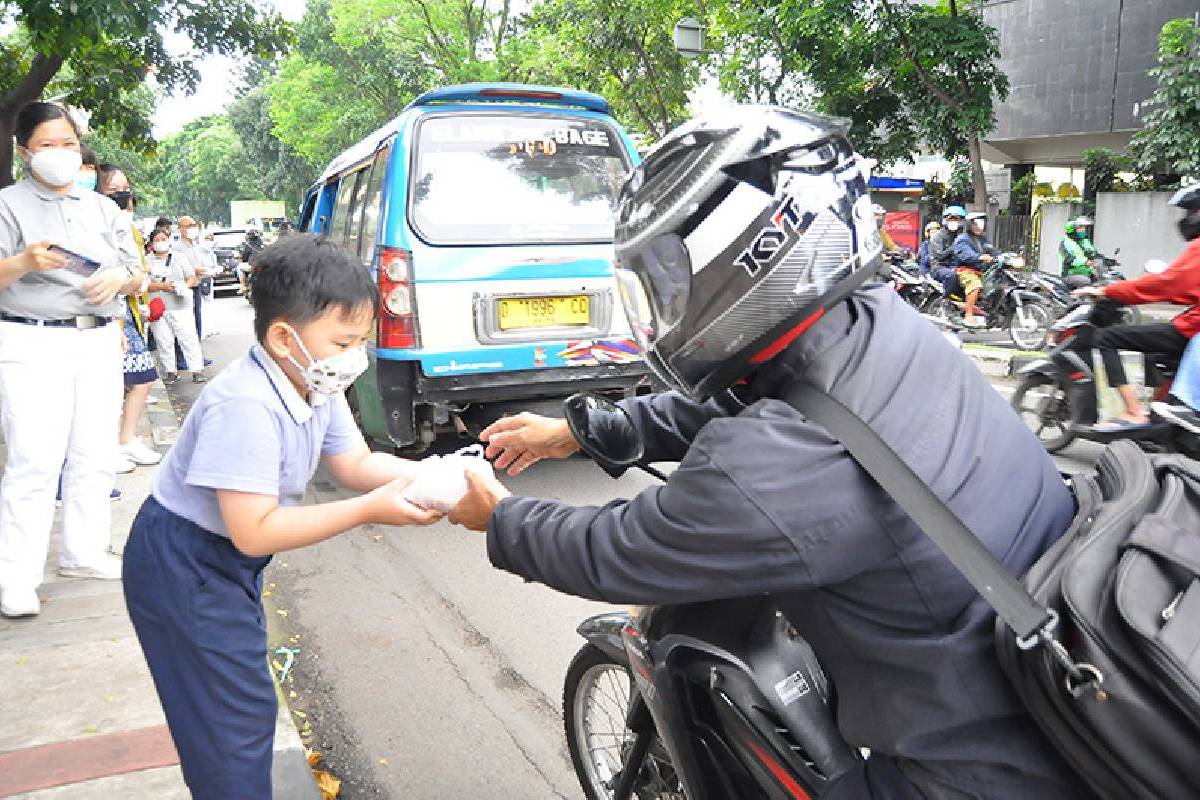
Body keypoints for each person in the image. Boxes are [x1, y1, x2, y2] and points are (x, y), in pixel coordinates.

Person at [449, 107, 1086, 799]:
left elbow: (619, 548)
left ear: (736, 270)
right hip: (1049, 673)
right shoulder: (873, 321)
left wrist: (500, 518)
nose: (666, 304)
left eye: (671, 277)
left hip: (976, 772)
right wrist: (585, 429)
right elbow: (769, 397)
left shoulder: (777, 466)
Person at [122, 234, 441, 798]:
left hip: (218, 560)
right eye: (343, 341)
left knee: (239, 708)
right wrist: (370, 510)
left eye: (360, 341)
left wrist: (434, 477)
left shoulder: (315, 380)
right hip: (184, 563)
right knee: (230, 724)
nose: (354, 356)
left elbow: (355, 461)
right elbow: (254, 531)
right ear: (282, 336)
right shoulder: (245, 404)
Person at [0, 102, 144, 618]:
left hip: (97, 337)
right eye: (47, 145)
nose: (61, 154)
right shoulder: (8, 205)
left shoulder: (100, 208)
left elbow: (135, 269)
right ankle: (16, 577)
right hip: (32, 340)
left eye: (68, 143)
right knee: (34, 459)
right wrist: (22, 262)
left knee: (93, 452)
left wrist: (123, 279)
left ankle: (84, 553)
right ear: (23, 152)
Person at [1073, 182, 1200, 429]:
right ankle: (1157, 415)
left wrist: (1106, 291)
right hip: (1190, 324)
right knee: (1153, 348)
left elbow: (1168, 284)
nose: (1185, 220)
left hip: (1191, 328)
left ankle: (1133, 411)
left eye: (1190, 212)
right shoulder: (1074, 244)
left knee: (1105, 338)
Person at [98, 164, 161, 469]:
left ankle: (126, 440)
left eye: (125, 189)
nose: (122, 196)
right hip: (108, 314)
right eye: (114, 190)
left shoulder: (127, 226)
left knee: (140, 378)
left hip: (128, 312)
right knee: (119, 384)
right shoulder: (96, 222)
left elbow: (136, 273)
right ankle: (115, 444)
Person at [144, 228, 205, 384]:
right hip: (157, 306)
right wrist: (161, 287)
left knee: (188, 338)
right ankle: (171, 371)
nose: (160, 242)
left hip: (180, 305)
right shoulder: (146, 261)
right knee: (163, 340)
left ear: (168, 240)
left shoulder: (179, 258)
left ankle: (197, 370)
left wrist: (184, 286)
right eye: (156, 240)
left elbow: (191, 276)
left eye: (163, 238)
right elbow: (143, 285)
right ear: (151, 243)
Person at [171, 216, 213, 369]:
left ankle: (196, 357)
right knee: (183, 325)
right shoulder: (176, 248)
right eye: (189, 226)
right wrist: (193, 271)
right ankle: (181, 359)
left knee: (197, 323)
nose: (192, 228)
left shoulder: (195, 244)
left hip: (197, 285)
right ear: (181, 229)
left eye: (194, 225)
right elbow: (177, 270)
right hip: (184, 288)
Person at [951, 210, 1000, 328]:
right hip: (965, 271)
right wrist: (980, 257)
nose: (979, 226)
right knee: (975, 285)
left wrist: (1003, 256)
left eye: (981, 223)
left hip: (980, 271)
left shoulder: (983, 240)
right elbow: (965, 254)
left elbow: (992, 250)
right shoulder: (962, 239)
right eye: (976, 223)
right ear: (969, 225)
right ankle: (968, 315)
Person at [929, 205, 964, 291]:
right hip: (939, 267)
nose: (954, 222)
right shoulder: (938, 237)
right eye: (951, 219)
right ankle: (946, 300)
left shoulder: (961, 236)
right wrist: (954, 247)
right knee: (951, 275)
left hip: (955, 266)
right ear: (945, 220)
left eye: (956, 219)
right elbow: (939, 255)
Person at [1060, 216, 1098, 288]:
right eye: (1080, 228)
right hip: (1069, 274)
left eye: (1084, 228)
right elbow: (1068, 259)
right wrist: (1085, 262)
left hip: (1086, 272)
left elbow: (1093, 252)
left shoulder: (1083, 241)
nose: (1083, 230)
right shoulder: (1065, 243)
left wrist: (1105, 259)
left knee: (1100, 280)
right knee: (1086, 281)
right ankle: (1079, 299)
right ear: (1072, 230)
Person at [238, 228, 265, 296]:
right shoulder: (263, 244)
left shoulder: (248, 245)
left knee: (239, 268)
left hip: (252, 265)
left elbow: (244, 256)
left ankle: (243, 286)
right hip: (263, 265)